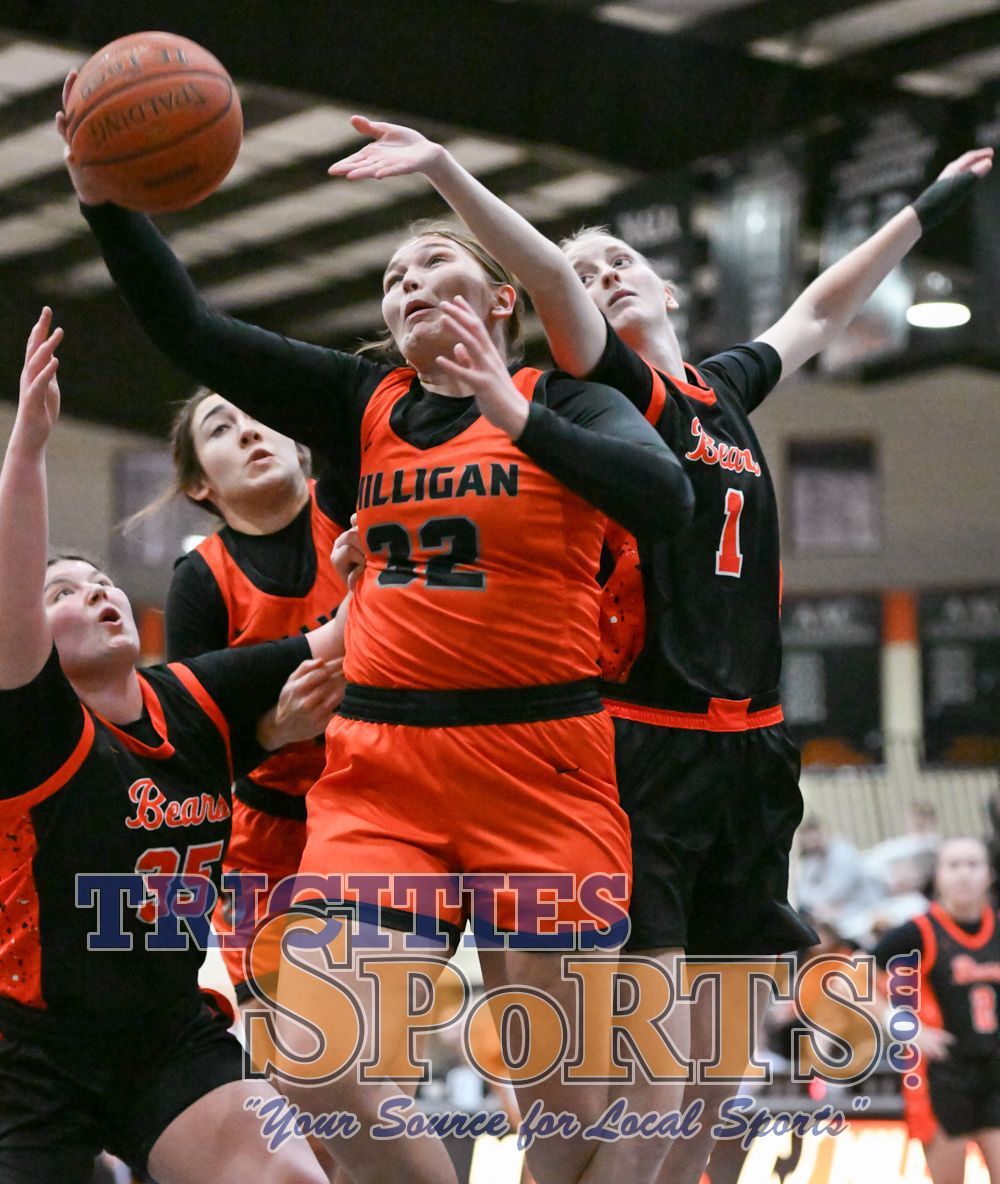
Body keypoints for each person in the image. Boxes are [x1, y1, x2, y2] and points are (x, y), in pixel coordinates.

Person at [323, 114, 992, 1183]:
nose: (603, 275)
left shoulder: (724, 386)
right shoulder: (603, 401)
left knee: (717, 1082)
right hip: (641, 743)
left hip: (754, 750)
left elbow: (821, 304)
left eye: (621, 260)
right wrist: (458, 182)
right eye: (581, 274)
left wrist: (929, 206)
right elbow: (540, 292)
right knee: (652, 1072)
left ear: (671, 290)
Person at [58, 72, 695, 1184]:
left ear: (498, 299)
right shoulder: (362, 404)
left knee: (566, 1107)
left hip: (541, 763)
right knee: (317, 1056)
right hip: (384, 767)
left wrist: (515, 413)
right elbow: (192, 329)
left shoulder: (577, 397)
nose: (405, 281)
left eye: (432, 264)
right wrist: (105, 197)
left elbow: (666, 501)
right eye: (391, 276)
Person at [0, 310, 343, 1183]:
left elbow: (341, 633)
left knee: (292, 1178)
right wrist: (28, 454)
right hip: (29, 1049)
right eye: (65, 592)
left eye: (102, 581)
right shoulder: (32, 729)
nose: (98, 591)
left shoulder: (189, 699)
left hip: (166, 1034)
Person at [153, 388, 348, 1013]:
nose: (246, 432)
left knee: (383, 1025)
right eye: (219, 428)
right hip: (267, 828)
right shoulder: (201, 580)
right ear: (199, 485)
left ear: (298, 443)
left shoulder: (352, 510)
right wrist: (274, 727)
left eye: (257, 413)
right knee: (283, 1043)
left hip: (389, 794)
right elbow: (189, 744)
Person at [873, 837, 1000, 1184]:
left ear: (989, 874)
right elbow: (848, 980)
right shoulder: (919, 931)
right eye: (954, 865)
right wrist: (902, 1026)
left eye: (973, 864)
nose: (964, 874)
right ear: (938, 876)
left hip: (994, 1071)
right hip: (942, 1077)